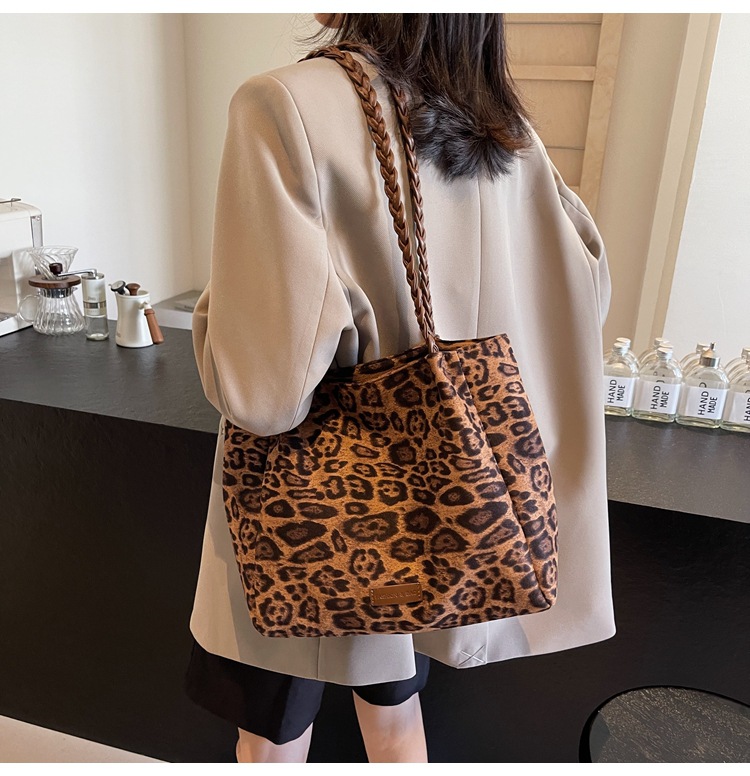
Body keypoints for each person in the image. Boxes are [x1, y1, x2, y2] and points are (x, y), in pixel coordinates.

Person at [185, 13, 614, 763]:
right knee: (396, 723)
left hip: (316, 516)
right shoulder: (506, 128)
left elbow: (264, 395)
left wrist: (226, 302)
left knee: (271, 736)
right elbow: (584, 295)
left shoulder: (283, 105)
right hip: (450, 510)